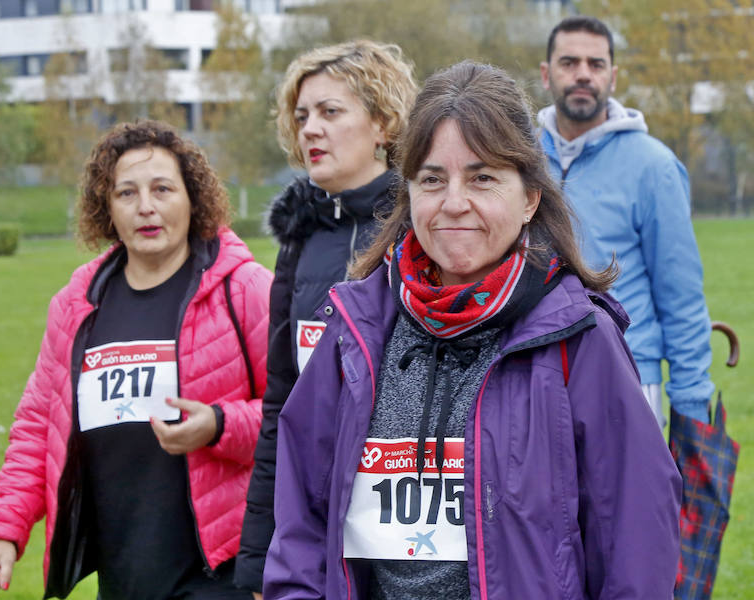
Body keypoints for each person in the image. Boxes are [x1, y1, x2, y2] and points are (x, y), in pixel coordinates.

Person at [263, 61, 680, 600]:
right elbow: (301, 516)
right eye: (432, 179)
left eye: (483, 178)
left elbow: (636, 542)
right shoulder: (357, 330)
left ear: (529, 197)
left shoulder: (580, 337)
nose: (453, 202)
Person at [0, 120, 272, 599]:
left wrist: (218, 424)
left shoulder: (246, 289)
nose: (146, 207)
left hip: (223, 573)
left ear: (192, 198)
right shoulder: (77, 304)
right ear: (106, 208)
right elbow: (36, 426)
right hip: (123, 572)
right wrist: (4, 533)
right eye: (126, 193)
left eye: (162, 189)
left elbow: (299, 418)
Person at [234, 40, 417, 598]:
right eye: (302, 116)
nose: (310, 128)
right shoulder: (300, 238)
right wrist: (259, 559)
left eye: (331, 112)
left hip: (405, 509)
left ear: (383, 123)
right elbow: (279, 409)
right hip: (315, 510)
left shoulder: (425, 227)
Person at [538, 15, 715, 427]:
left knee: (633, 495)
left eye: (596, 64)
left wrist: (691, 407)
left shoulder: (654, 167)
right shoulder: (517, 159)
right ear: (546, 74)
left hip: (628, 378)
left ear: (613, 77)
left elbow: (681, 298)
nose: (583, 74)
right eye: (569, 62)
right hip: (534, 374)